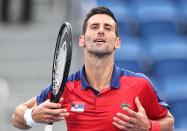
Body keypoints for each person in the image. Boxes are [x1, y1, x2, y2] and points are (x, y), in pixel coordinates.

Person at [12, 6, 174, 131]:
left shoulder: (140, 84)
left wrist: (149, 127)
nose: (101, 31)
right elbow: (17, 116)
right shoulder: (65, 87)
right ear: (82, 40)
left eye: (108, 28)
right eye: (94, 27)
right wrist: (33, 116)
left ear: (117, 42)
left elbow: (169, 123)